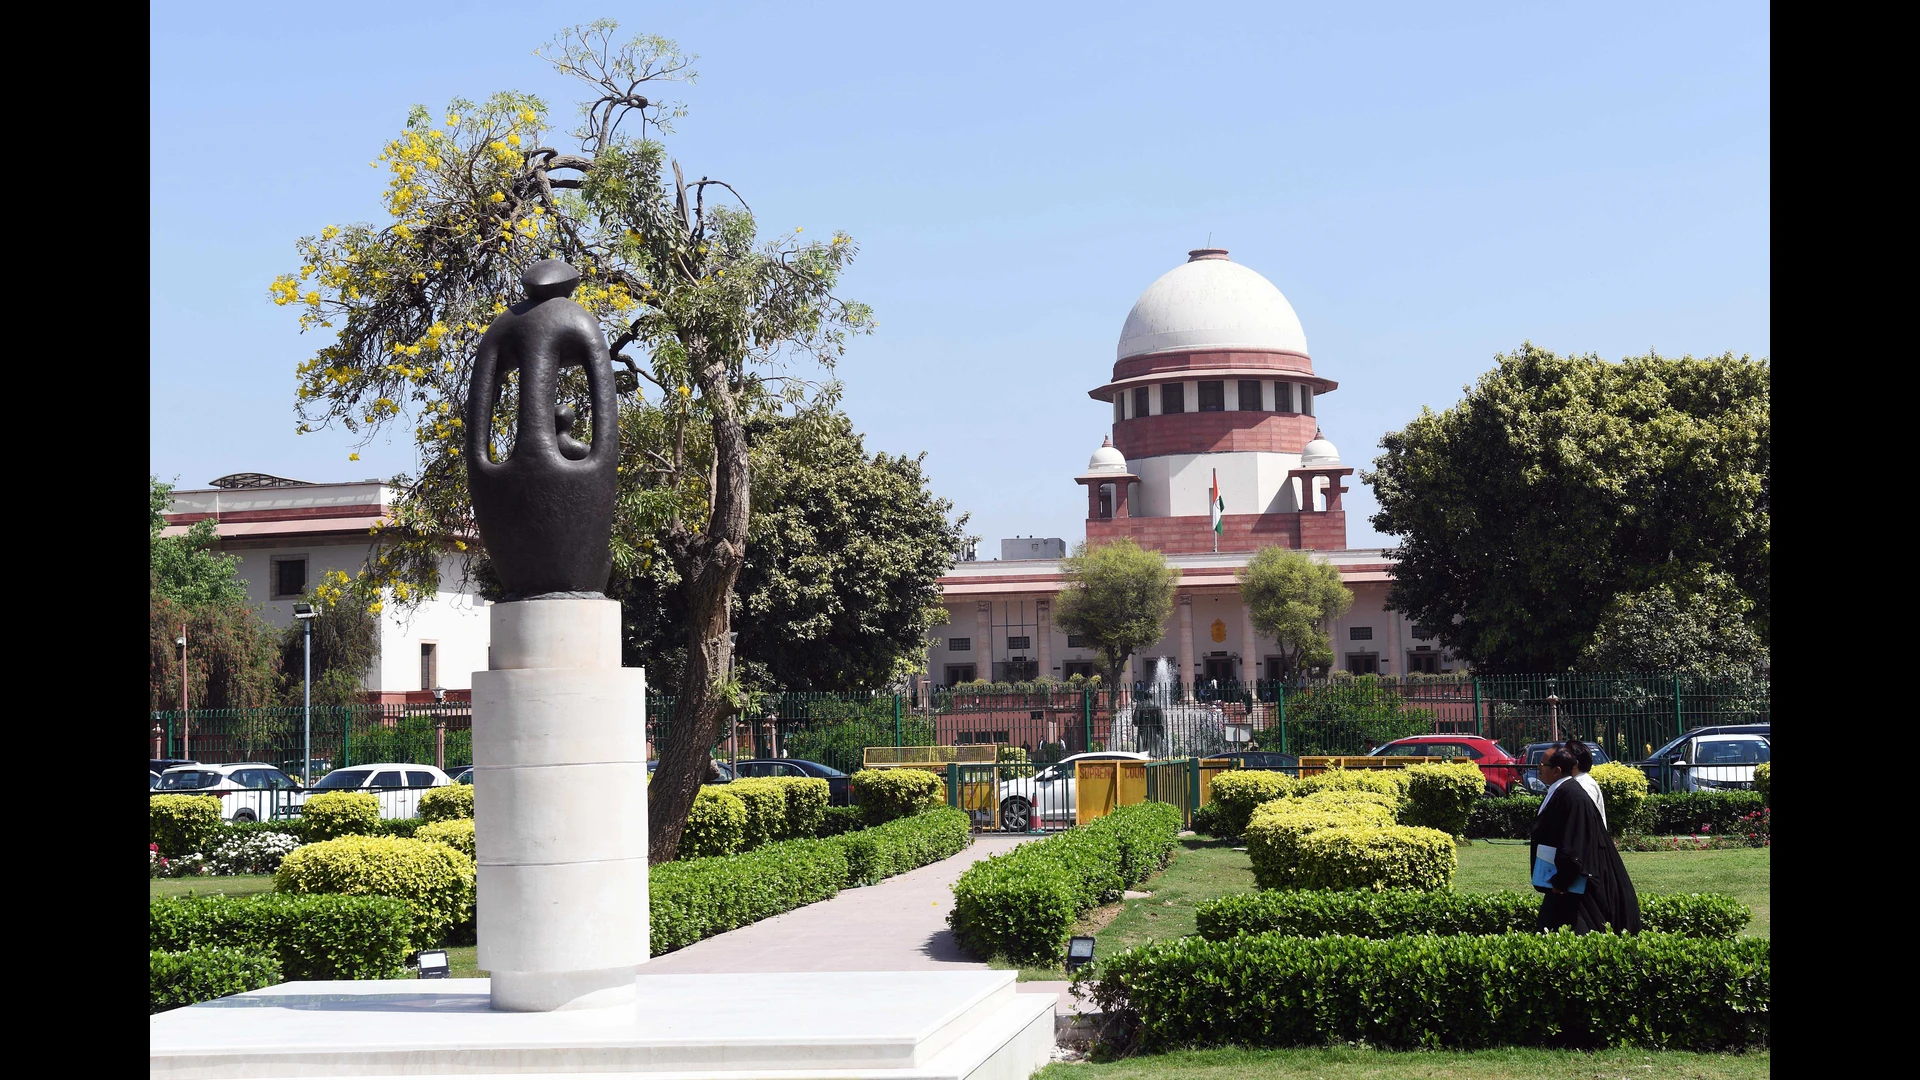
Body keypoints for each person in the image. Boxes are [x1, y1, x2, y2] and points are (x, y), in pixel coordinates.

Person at [1531, 747, 1633, 934]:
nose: (1538, 768)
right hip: (1563, 884)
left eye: (1543, 764)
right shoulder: (1562, 791)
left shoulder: (1571, 795)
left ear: (1557, 771)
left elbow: (1574, 843)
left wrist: (1561, 882)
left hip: (1573, 886)